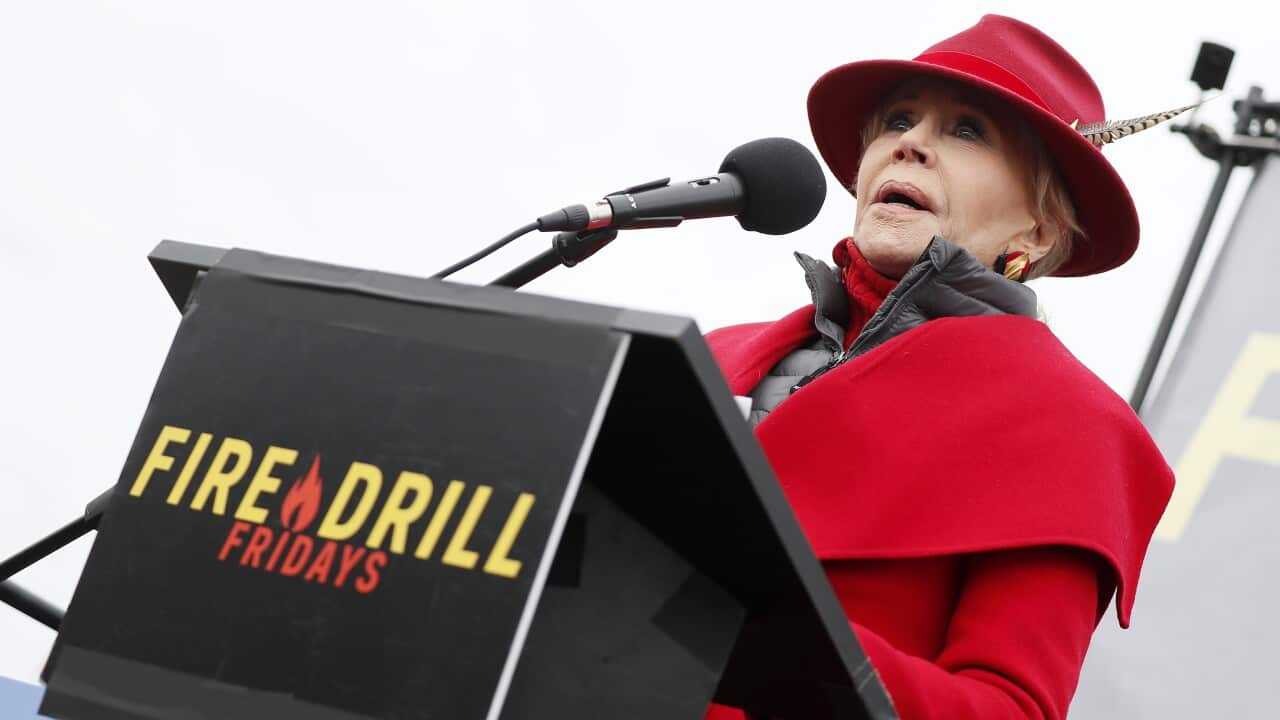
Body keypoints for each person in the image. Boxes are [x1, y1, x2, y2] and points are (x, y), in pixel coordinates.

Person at [703, 15, 1176, 720]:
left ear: (1037, 228)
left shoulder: (1071, 429)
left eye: (966, 131)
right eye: (898, 118)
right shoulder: (710, 359)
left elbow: (1004, 709)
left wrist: (785, 637)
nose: (911, 144)